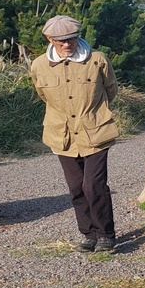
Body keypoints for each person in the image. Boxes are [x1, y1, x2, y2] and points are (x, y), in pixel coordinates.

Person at [29, 15, 119, 253]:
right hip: (62, 135)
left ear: (78, 36)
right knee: (76, 187)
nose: (67, 44)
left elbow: (111, 90)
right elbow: (42, 94)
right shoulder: (39, 65)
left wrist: (94, 113)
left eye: (71, 38)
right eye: (60, 40)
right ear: (49, 39)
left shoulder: (98, 60)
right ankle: (89, 235)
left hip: (96, 132)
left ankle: (106, 235)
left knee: (93, 185)